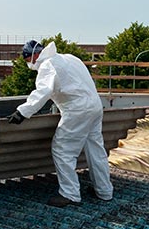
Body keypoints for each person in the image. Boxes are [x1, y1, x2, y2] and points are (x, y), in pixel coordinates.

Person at [6, 40, 114, 207]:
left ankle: (70, 194)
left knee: (63, 149)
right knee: (95, 149)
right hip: (95, 106)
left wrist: (22, 112)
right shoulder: (70, 58)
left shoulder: (47, 65)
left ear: (34, 55)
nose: (29, 64)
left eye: (27, 61)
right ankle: (104, 191)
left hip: (77, 110)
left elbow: (43, 91)